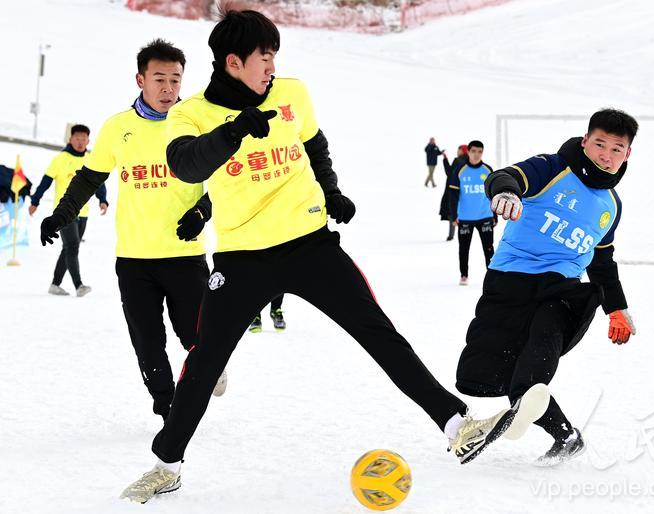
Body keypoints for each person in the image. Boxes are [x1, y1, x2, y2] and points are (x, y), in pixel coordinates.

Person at [119, 10, 527, 504]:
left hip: (311, 245)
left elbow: (315, 146)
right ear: (233, 62)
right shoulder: (193, 114)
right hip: (242, 258)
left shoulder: (293, 93)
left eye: (274, 57)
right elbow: (184, 166)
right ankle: (167, 464)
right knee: (205, 361)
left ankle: (456, 425)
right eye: (263, 57)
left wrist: (332, 192)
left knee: (378, 331)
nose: (271, 66)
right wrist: (232, 133)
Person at [39, 39, 227, 425]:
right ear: (141, 79)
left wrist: (202, 211)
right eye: (159, 79)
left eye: (176, 80)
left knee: (196, 336)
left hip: (185, 254)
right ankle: (167, 409)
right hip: (134, 259)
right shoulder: (117, 128)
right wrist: (60, 215)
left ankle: (210, 363)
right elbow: (88, 178)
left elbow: (227, 179)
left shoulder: (194, 124)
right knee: (147, 343)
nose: (168, 89)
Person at [455, 109, 639, 466]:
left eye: (617, 149)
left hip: (562, 291)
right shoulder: (553, 168)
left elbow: (602, 261)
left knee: (536, 360)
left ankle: (531, 403)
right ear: (585, 141)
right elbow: (507, 176)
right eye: (599, 144)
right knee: (503, 376)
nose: (607, 154)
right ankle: (566, 437)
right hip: (510, 283)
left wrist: (616, 307)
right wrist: (506, 192)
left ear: (627, 154)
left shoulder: (611, 206)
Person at [29, 125, 109, 296]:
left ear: (88, 140)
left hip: (84, 212)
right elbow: (45, 182)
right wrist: (35, 200)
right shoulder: (60, 159)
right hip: (64, 213)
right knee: (72, 246)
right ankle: (79, 285)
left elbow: (98, 182)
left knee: (69, 248)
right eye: (77, 138)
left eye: (84, 139)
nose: (80, 142)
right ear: (70, 139)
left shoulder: (91, 159)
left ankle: (55, 284)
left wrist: (102, 199)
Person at [447, 140, 495, 285]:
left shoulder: (487, 170)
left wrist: (495, 215)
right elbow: (453, 195)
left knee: (489, 248)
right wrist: (454, 216)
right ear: (468, 152)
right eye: (473, 151)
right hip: (465, 218)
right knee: (464, 248)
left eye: (480, 151)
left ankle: (492, 276)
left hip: (485, 216)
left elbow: (493, 194)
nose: (476, 154)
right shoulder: (460, 170)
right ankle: (464, 274)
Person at [439, 144, 467, 241]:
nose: (457, 151)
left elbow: (449, 172)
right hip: (464, 189)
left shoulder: (457, 160)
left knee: (452, 210)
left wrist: (445, 159)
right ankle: (464, 231)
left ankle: (451, 234)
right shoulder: (469, 162)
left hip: (453, 188)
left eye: (459, 150)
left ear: (463, 151)